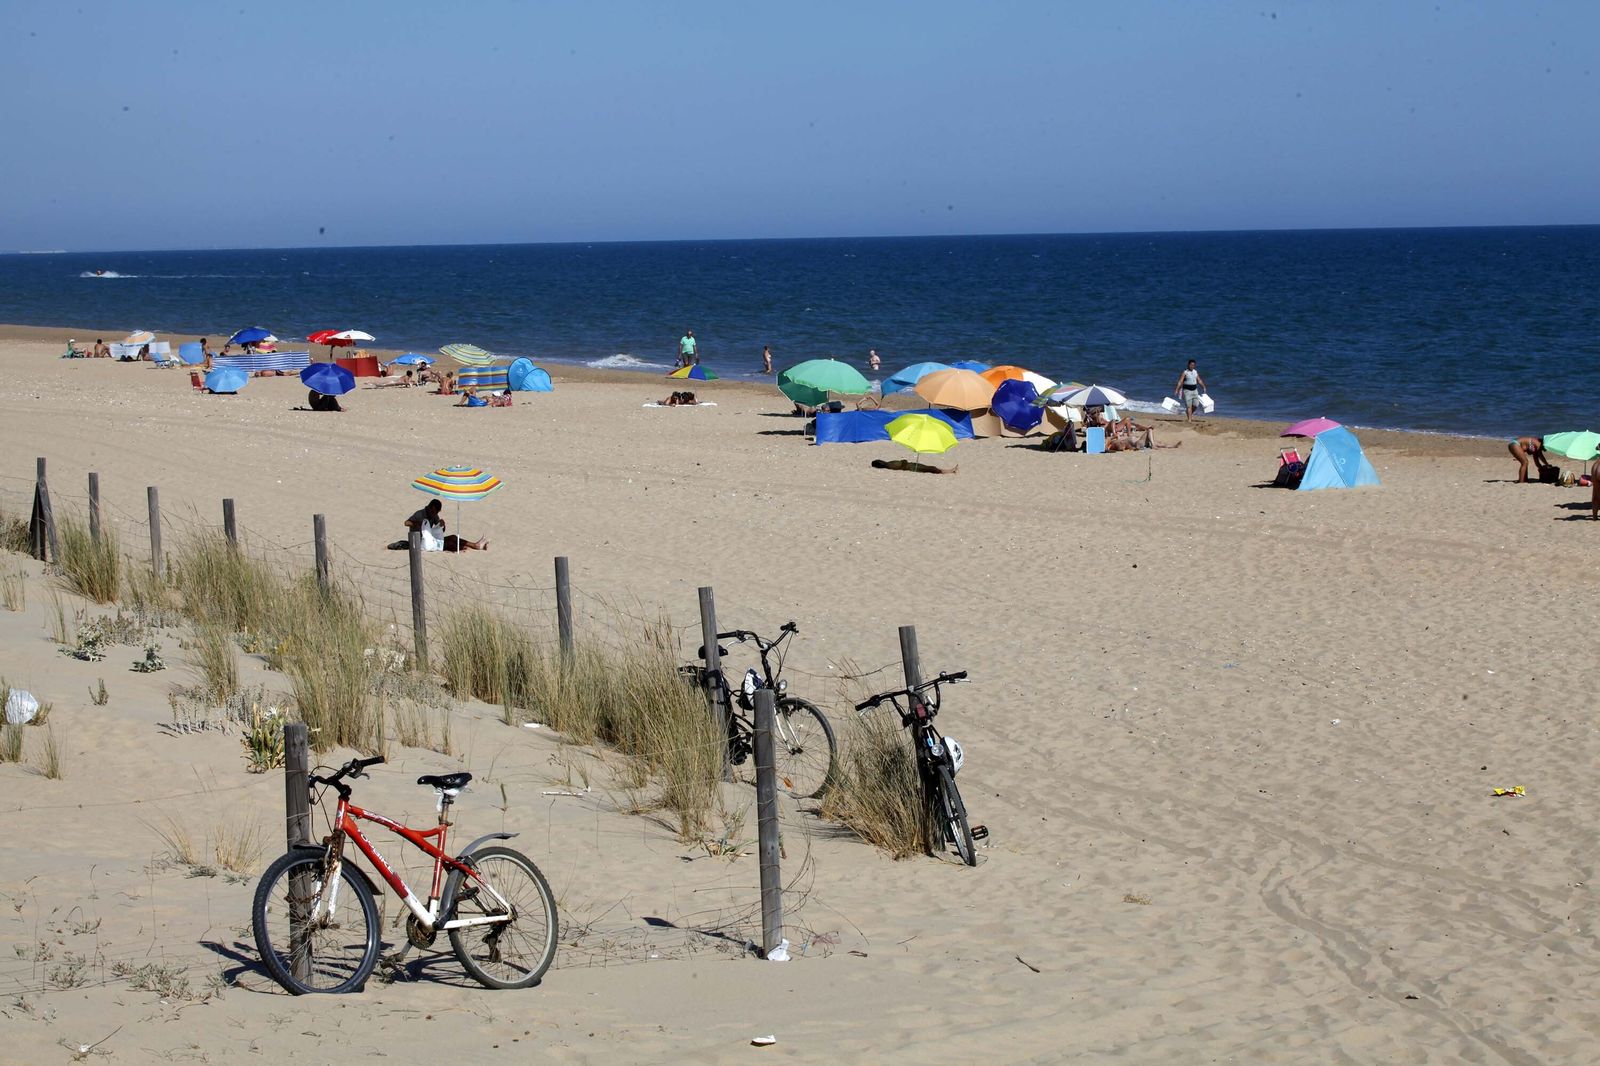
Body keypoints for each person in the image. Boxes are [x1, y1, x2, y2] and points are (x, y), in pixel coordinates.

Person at [403, 499, 488, 552]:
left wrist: (442, 525)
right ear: (430, 508)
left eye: (436, 512)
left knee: (453, 537)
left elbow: (439, 531)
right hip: (420, 542)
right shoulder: (420, 514)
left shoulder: (434, 515)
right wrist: (417, 524)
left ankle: (474, 545)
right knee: (450, 543)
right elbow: (406, 522)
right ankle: (470, 547)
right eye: (434, 512)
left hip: (431, 540)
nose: (435, 514)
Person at [872, 458, 957, 475]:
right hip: (911, 467)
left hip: (911, 466)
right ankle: (950, 471)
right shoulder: (890, 465)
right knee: (930, 469)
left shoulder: (889, 464)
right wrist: (904, 461)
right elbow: (901, 465)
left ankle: (948, 470)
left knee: (930, 468)